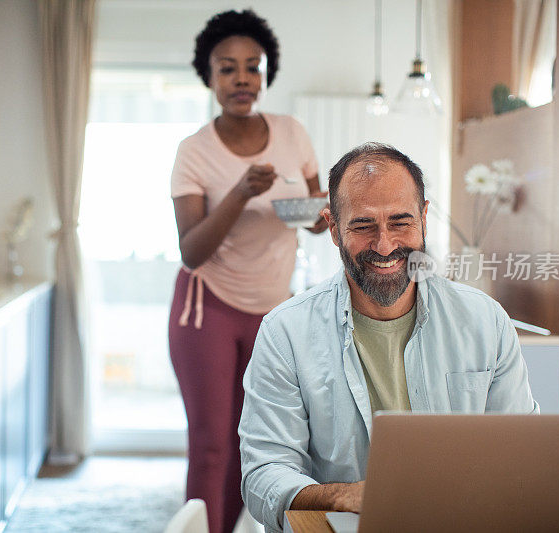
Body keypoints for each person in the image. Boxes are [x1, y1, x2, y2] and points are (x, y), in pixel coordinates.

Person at [238, 143, 538, 532]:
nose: (384, 245)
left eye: (401, 223)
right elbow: (265, 472)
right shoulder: (286, 332)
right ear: (332, 228)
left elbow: (521, 453)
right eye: (363, 226)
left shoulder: (484, 320)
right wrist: (340, 495)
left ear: (424, 218)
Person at [168, 9, 327, 533]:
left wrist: (325, 214)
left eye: (252, 67)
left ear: (265, 74)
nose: (242, 79)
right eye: (228, 68)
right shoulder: (193, 152)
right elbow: (192, 250)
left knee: (255, 441)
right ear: (209, 76)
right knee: (212, 442)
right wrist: (240, 192)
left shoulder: (292, 133)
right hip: (206, 307)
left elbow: (315, 215)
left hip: (274, 311)